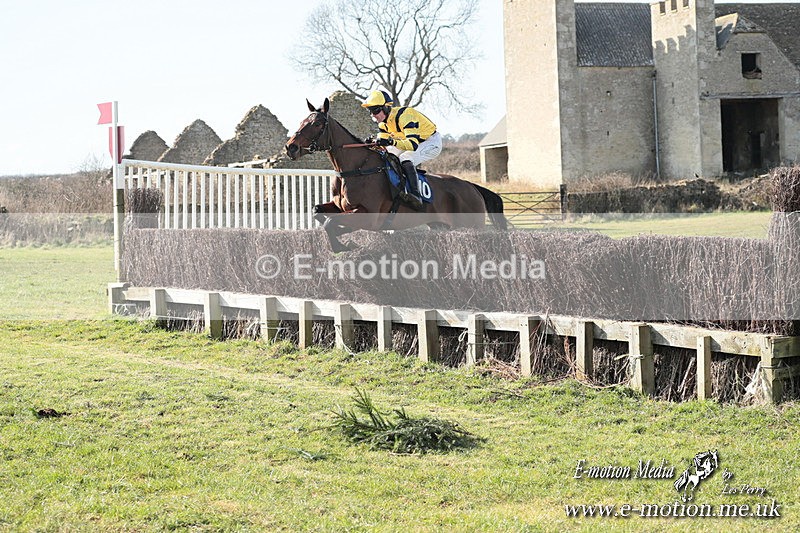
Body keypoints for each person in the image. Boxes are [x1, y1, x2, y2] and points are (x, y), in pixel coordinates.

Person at [361, 90, 442, 209]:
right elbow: (384, 146)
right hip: (413, 142)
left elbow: (412, 145)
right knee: (387, 153)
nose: (373, 115)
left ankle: (416, 196)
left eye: (375, 110)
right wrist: (373, 144)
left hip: (430, 142)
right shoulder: (382, 124)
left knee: (406, 157)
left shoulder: (405, 116)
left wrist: (390, 141)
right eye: (370, 111)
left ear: (386, 107)